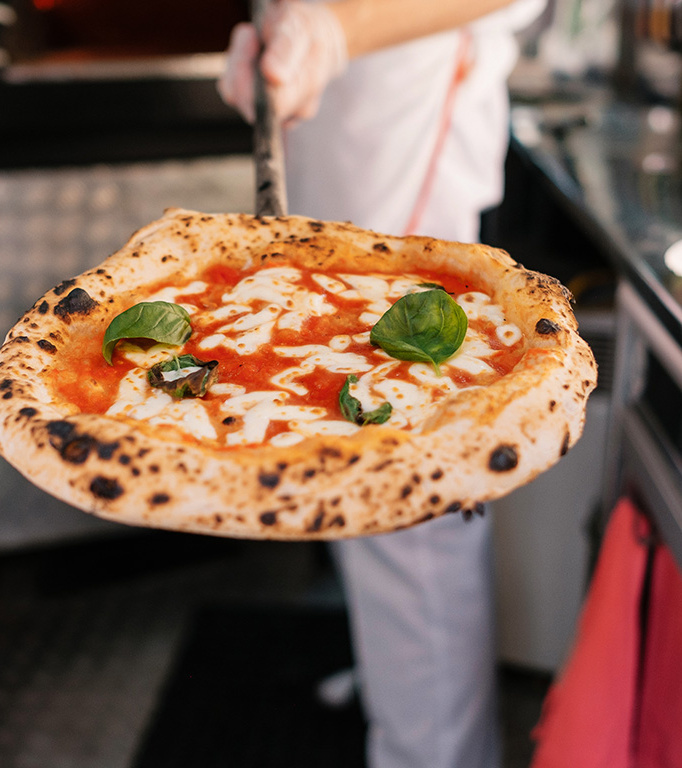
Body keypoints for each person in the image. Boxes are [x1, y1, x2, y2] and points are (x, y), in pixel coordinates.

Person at [218, 2, 544, 766]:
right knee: (327, 419)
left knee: (404, 479)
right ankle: (391, 679)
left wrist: (333, 30)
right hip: (335, 96)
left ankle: (432, 747)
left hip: (403, 90)